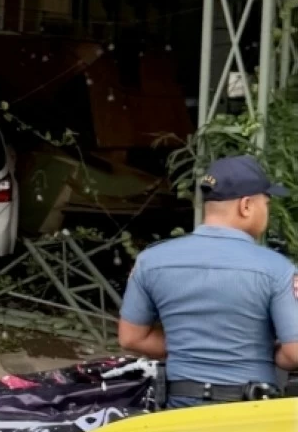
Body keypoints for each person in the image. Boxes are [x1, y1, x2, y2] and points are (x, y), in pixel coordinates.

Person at [118, 153, 298, 408]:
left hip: (178, 406)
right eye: (266, 204)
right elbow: (294, 353)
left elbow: (131, 338)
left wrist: (188, 346)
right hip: (250, 410)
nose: (266, 212)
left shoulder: (151, 260)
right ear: (246, 206)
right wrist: (260, 349)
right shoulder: (277, 269)